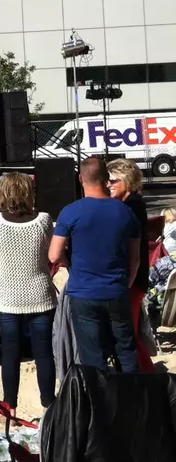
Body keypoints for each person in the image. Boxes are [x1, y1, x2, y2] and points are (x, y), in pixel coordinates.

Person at [48, 157, 141, 373]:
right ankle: (133, 401)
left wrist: (68, 262)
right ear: (105, 179)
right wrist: (126, 283)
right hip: (117, 290)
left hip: (83, 293)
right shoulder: (125, 212)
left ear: (81, 179)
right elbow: (135, 258)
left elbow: (53, 255)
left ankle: (100, 403)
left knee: (93, 357)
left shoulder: (70, 211)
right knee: (126, 352)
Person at [0, 172, 58, 418]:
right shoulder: (43, 220)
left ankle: (10, 406)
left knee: (10, 352)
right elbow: (51, 255)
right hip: (40, 293)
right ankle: (49, 405)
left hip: (7, 296)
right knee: (43, 353)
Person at [107, 157, 154, 372]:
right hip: (133, 279)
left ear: (127, 180)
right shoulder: (131, 203)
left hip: (132, 281)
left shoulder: (132, 205)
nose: (108, 185)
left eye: (113, 181)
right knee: (128, 336)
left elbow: (129, 250)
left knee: (128, 337)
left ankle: (151, 382)